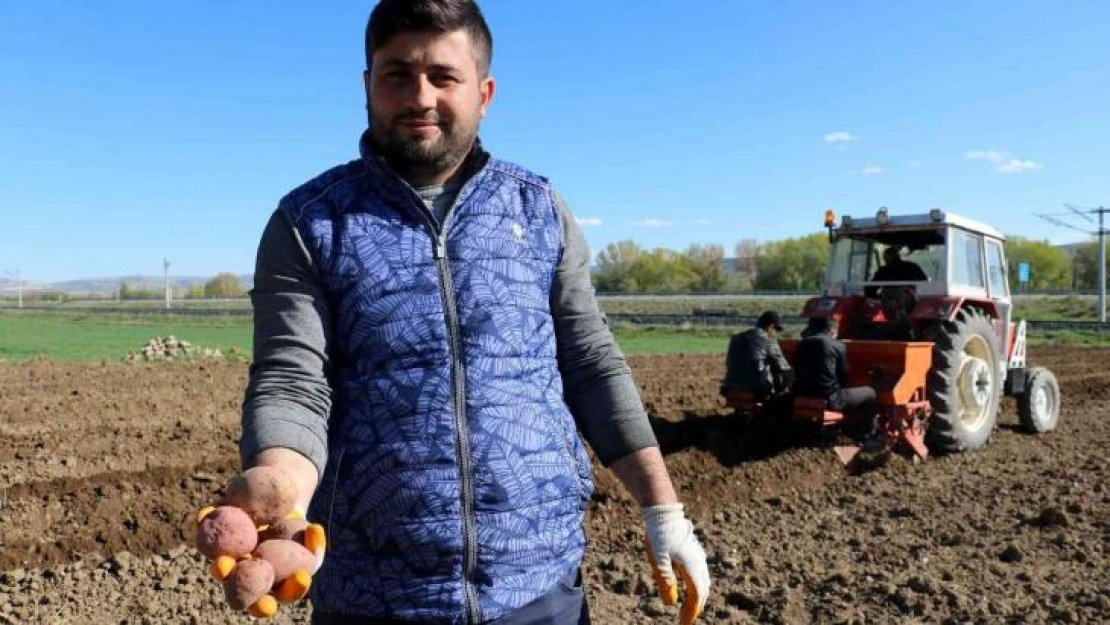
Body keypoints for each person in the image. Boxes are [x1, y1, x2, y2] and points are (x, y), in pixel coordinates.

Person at [232, 2, 710, 624]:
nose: (419, 96)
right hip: (373, 597)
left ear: (484, 93)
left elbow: (590, 363)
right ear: (367, 85)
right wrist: (283, 488)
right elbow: (293, 378)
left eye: (443, 76)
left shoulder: (538, 210)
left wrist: (662, 510)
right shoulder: (311, 223)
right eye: (397, 74)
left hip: (540, 590)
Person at [792, 317, 878, 432]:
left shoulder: (801, 344)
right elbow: (842, 375)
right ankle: (869, 432)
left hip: (803, 393)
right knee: (870, 392)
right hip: (829, 398)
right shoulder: (838, 345)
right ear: (831, 330)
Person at [720, 310, 793, 409]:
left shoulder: (736, 338)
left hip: (729, 385)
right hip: (756, 389)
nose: (775, 334)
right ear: (770, 327)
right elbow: (783, 368)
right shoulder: (768, 341)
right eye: (776, 330)